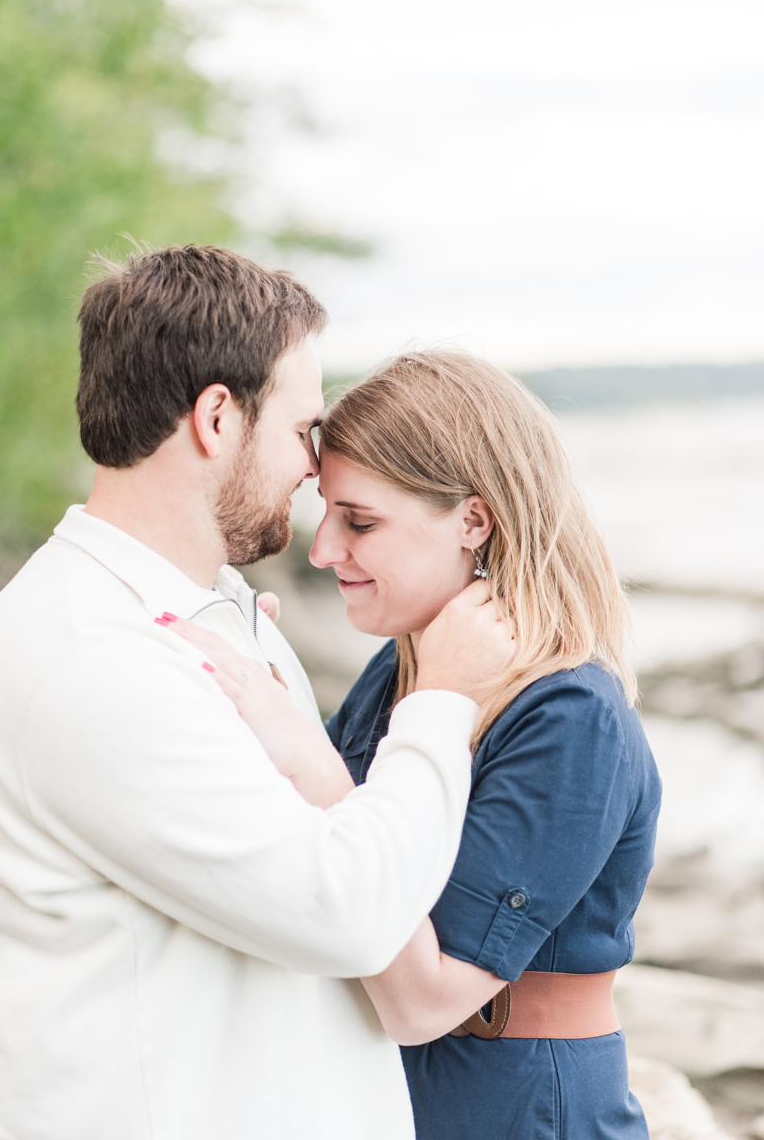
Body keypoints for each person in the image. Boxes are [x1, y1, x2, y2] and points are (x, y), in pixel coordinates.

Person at [0, 249, 514, 1140]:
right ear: (217, 416)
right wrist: (443, 699)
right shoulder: (92, 656)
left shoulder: (210, 609)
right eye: (304, 429)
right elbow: (353, 910)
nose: (314, 464)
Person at [183, 351, 662, 1140]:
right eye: (326, 512)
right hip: (397, 1098)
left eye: (360, 521)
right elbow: (311, 878)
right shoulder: (397, 672)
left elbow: (422, 999)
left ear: (475, 520)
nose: (323, 550)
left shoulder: (573, 714)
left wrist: (307, 759)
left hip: (521, 1107)